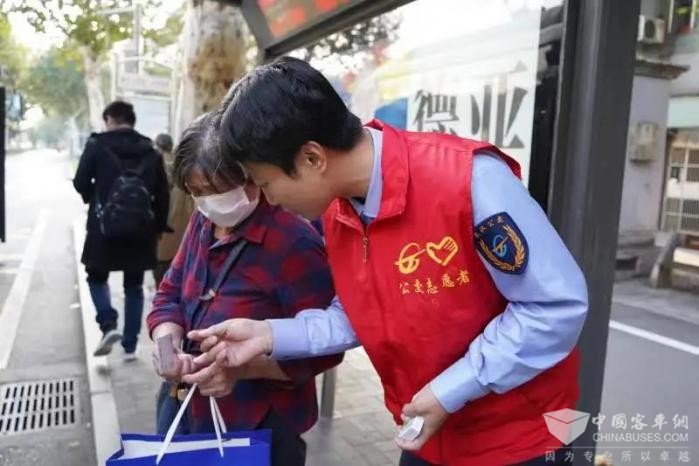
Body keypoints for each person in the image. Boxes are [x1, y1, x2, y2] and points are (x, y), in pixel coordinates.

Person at [187, 57, 589, 466]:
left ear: (312, 158)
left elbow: (554, 307)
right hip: (426, 434)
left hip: (519, 441)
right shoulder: (339, 209)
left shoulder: (469, 181)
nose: (270, 200)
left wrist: (452, 389)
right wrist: (269, 335)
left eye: (267, 183)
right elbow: (358, 312)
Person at [147, 112, 343, 466]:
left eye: (218, 190)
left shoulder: (293, 241)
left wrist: (244, 369)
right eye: (197, 192)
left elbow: (325, 350)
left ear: (250, 175)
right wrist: (167, 346)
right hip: (185, 406)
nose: (209, 202)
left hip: (257, 420)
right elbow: (169, 293)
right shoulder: (203, 222)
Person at [73, 101, 170, 361]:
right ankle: (130, 346)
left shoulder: (97, 145)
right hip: (141, 229)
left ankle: (108, 324)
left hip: (103, 227)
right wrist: (160, 226)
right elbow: (162, 193)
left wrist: (94, 197)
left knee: (95, 276)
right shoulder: (151, 150)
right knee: (134, 285)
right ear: (131, 120)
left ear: (110, 119)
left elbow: (80, 181)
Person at [153, 133, 194, 287]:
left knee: (162, 282)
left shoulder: (154, 165)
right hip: (183, 236)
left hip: (161, 235)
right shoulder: (182, 167)